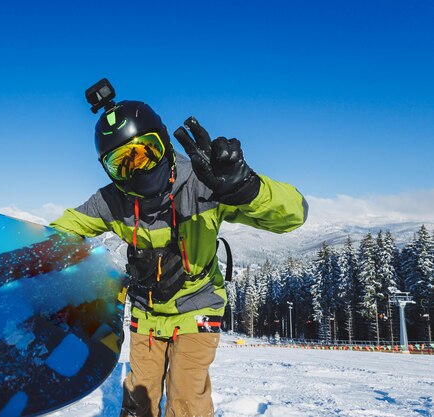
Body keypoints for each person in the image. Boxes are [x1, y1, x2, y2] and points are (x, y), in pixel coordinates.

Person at [50, 90, 307, 417]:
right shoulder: (113, 200)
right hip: (147, 312)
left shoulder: (206, 183)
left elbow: (294, 215)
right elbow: (64, 230)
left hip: (197, 304)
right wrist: (25, 255)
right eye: (122, 164)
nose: (137, 170)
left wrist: (250, 188)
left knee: (186, 399)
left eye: (145, 153)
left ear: (164, 145)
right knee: (138, 400)